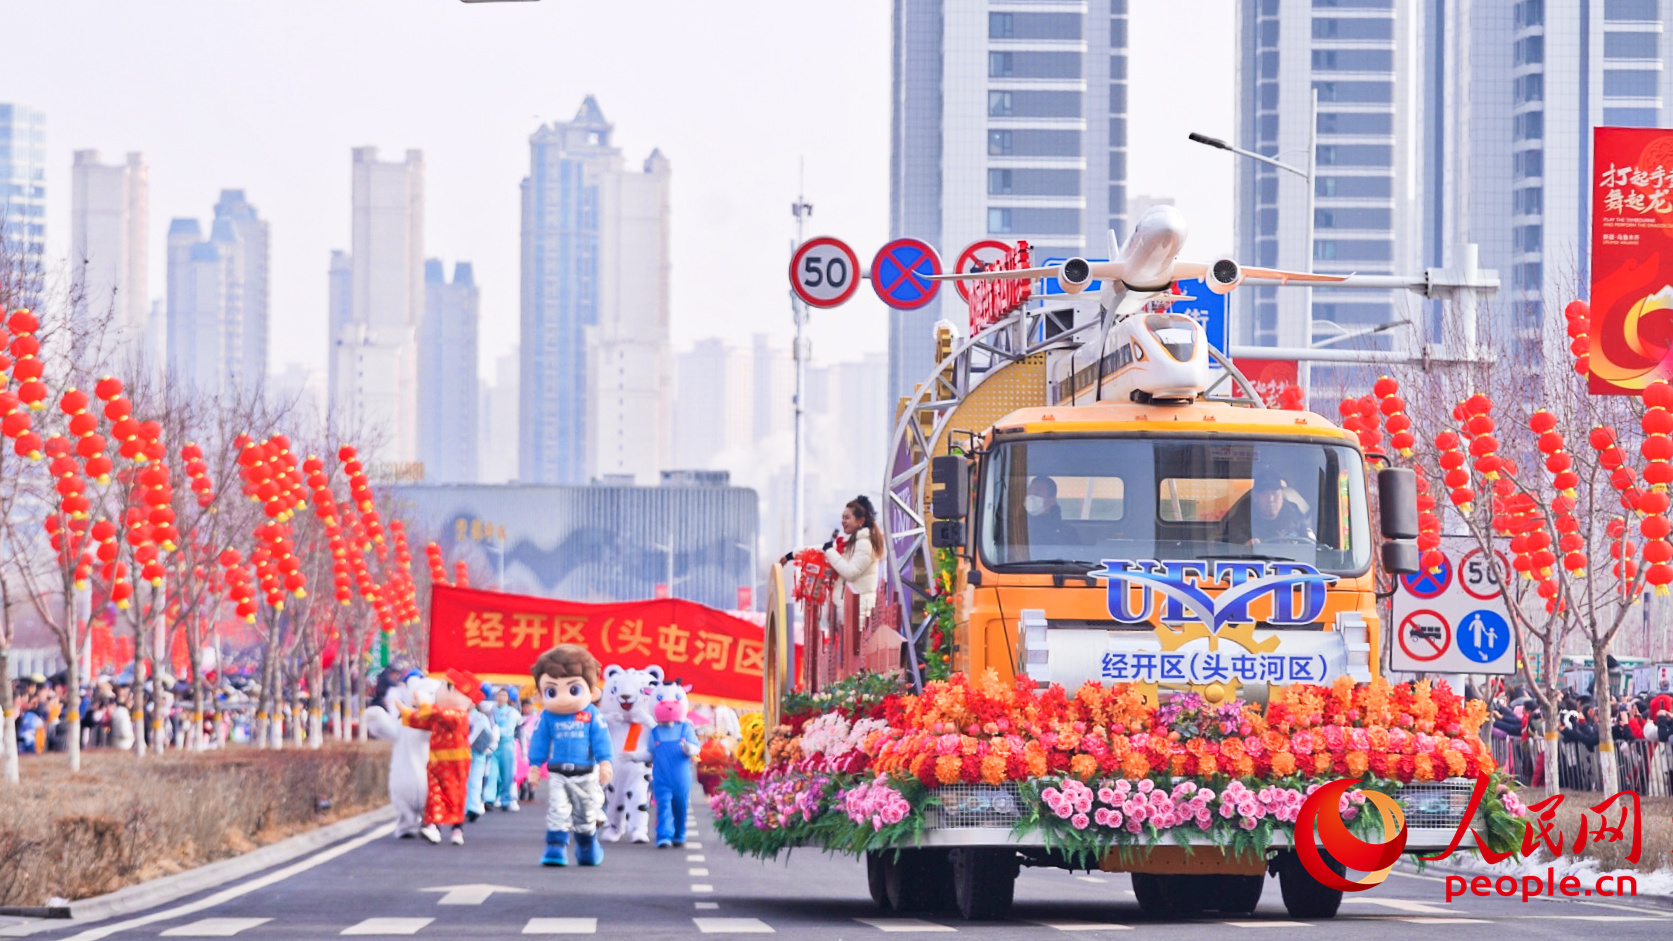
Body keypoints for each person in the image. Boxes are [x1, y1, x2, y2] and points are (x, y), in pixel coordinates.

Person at [527, 644, 615, 867]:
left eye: (573, 689)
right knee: (558, 810)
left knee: (585, 815)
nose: (563, 698)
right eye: (552, 691)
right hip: (557, 772)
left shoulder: (592, 715)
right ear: (540, 693)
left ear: (592, 692)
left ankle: (587, 848)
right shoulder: (547, 717)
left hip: (585, 773)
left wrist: (605, 762)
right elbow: (539, 741)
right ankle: (555, 848)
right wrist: (535, 765)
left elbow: (601, 739)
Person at [824, 496, 883, 620]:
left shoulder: (865, 544)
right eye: (842, 518)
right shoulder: (855, 542)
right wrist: (792, 555)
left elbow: (850, 572)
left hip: (858, 616)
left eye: (847, 518)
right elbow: (826, 548)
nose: (843, 521)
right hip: (851, 614)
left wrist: (829, 552)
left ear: (860, 521)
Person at [1223, 469, 1315, 546]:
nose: (1271, 499)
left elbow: (1311, 546)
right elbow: (1226, 550)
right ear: (1255, 497)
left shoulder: (1296, 518)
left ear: (1282, 496)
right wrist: (1244, 547)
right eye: (1265, 494)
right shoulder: (1238, 522)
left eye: (1275, 494)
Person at [1023, 476, 1076, 550]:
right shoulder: (1016, 528)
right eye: (1029, 492)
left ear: (1051, 501)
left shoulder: (1066, 532)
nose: (1030, 497)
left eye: (1037, 493)